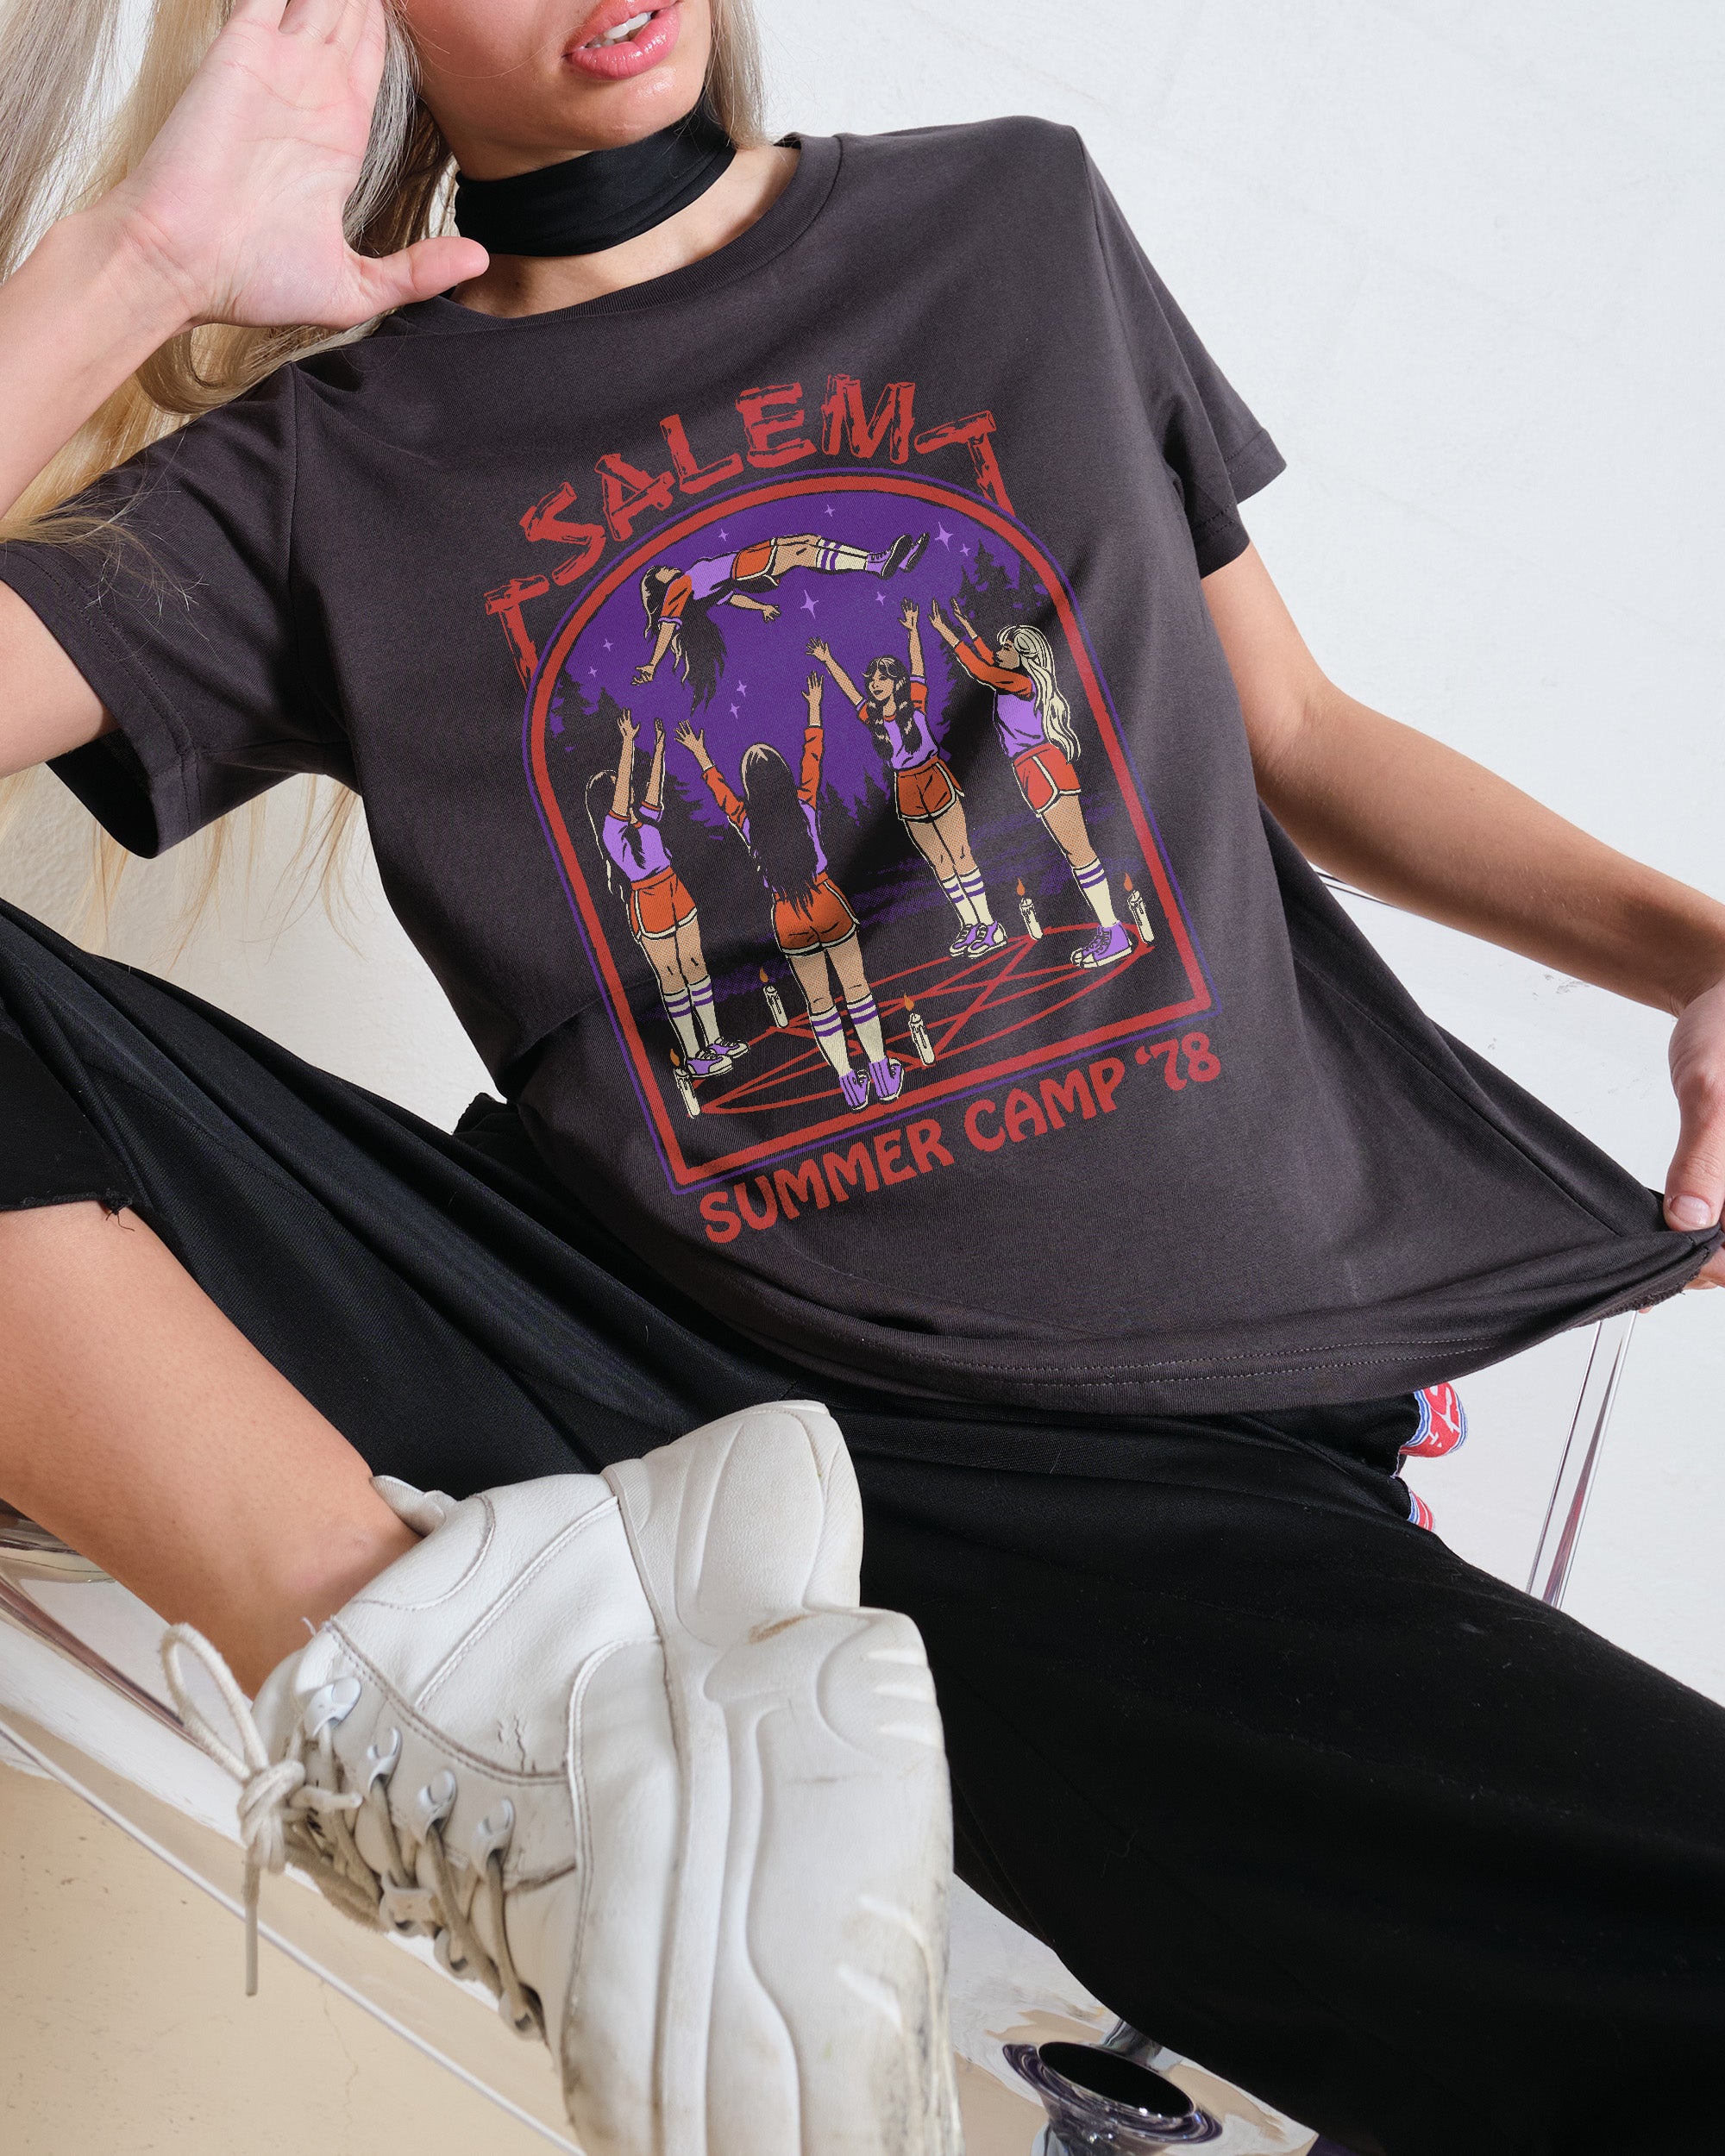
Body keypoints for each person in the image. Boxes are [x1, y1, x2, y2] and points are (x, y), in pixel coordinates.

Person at [2, 5, 1724, 2154]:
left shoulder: (1005, 220)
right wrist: (143, 265)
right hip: (652, 1391)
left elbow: (1293, 732)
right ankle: (496, 1718)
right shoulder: (325, 468)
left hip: (1171, 1503)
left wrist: (1698, 952)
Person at [675, 674, 902, 1108]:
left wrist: (700, 754)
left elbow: (721, 793)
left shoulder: (747, 822)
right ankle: (882, 1072)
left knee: (819, 1002)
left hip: (787, 915)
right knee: (857, 989)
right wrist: (814, 705)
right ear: (782, 775)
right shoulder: (804, 801)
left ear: (750, 786)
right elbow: (813, 754)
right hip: (826, 900)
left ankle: (849, 1083)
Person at [929, 599, 1132, 969]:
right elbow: (989, 661)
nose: (1000, 650)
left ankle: (1113, 930)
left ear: (1024, 657)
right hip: (1033, 770)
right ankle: (1110, 929)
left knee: (1078, 851)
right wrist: (967, 627)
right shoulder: (1015, 679)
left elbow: (982, 670)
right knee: (1075, 852)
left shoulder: (1021, 682)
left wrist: (945, 630)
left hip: (1043, 768)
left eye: (1008, 647)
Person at [807, 607, 1002, 957]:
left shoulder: (914, 701)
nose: (874, 684)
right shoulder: (872, 717)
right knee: (939, 861)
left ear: (895, 682)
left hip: (933, 777)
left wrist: (913, 631)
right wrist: (828, 660)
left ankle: (990, 925)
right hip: (906, 788)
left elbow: (918, 666)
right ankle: (970, 924)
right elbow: (850, 691)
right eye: (872, 679)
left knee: (960, 853)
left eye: (882, 678)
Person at [585, 709, 744, 1079]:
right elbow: (623, 793)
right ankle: (695, 1054)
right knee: (672, 977)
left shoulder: (644, 818)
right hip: (649, 901)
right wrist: (627, 743)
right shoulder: (612, 832)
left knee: (696, 965)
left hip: (675, 890)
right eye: (618, 785)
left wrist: (658, 747)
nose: (626, 788)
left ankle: (715, 1039)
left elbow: (652, 789)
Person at [633, 526, 927, 693]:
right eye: (660, 571)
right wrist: (652, 664)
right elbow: (667, 627)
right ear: (660, 584)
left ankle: (888, 561)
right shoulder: (677, 588)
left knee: (808, 542)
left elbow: (730, 598)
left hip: (743, 563)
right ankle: (874, 564)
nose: (666, 567)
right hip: (742, 567)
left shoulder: (693, 587)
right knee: (804, 551)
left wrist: (761, 607)